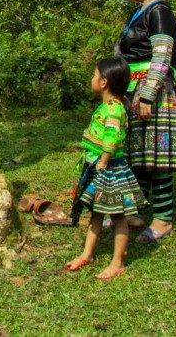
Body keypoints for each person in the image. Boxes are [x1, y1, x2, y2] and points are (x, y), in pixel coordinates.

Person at [115, 0, 176, 242]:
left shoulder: (160, 12)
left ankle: (163, 219)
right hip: (135, 90)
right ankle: (136, 210)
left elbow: (161, 55)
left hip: (152, 93)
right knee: (139, 153)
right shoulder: (142, 11)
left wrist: (147, 95)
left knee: (158, 158)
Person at [64, 56, 145, 280]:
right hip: (100, 165)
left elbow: (111, 136)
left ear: (104, 82)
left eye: (94, 75)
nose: (92, 79)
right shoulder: (108, 106)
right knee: (97, 213)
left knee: (118, 215)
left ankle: (117, 263)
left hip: (109, 169)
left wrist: (104, 159)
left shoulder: (113, 109)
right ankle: (87, 254)